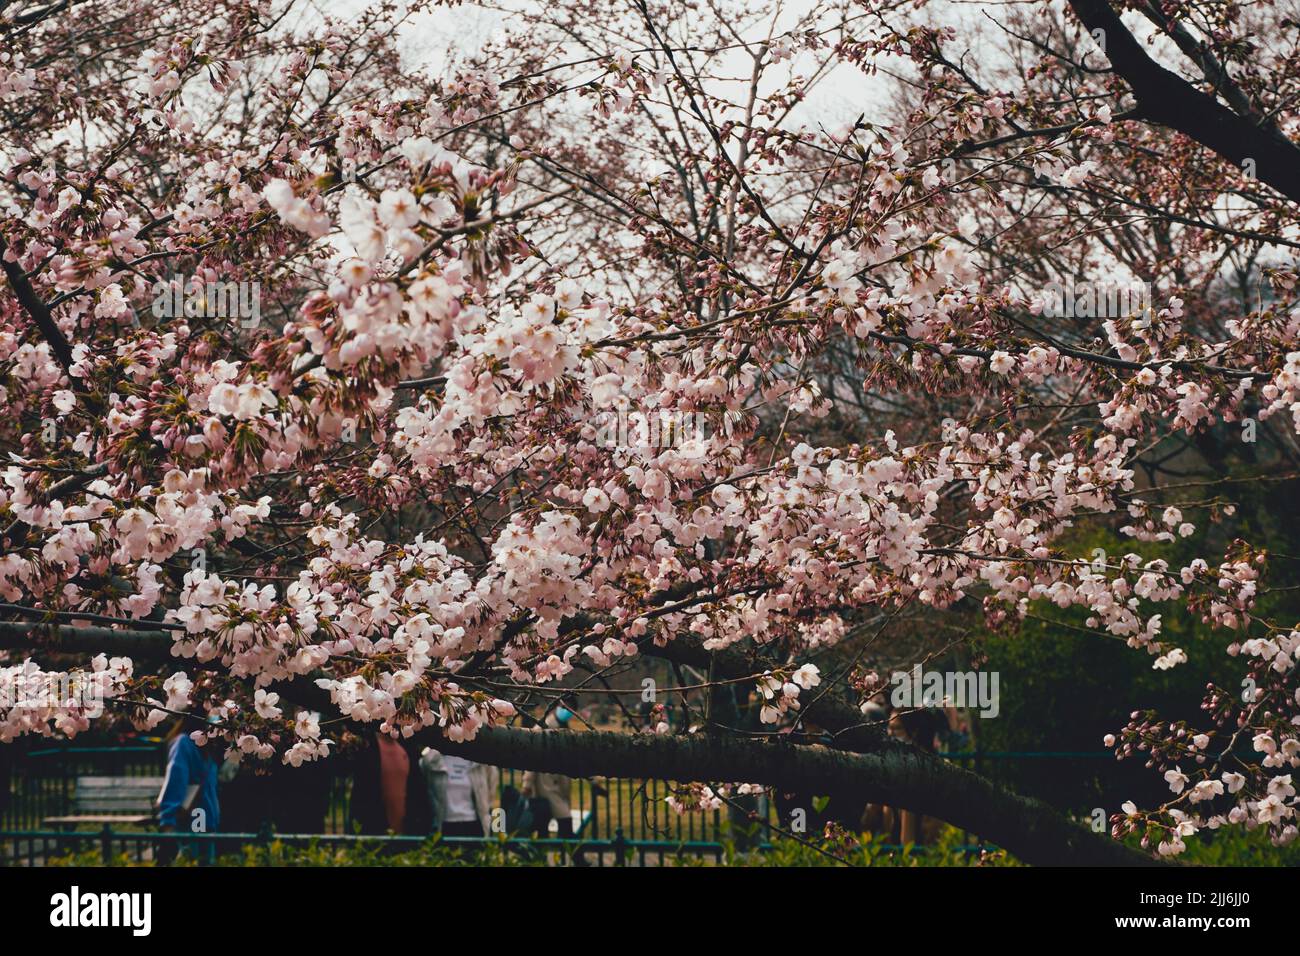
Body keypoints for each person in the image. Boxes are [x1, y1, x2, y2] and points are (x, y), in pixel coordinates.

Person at [155, 719, 221, 863]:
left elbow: (176, 780)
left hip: (192, 817)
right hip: (206, 816)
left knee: (190, 859)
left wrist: (167, 820)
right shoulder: (205, 748)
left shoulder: (183, 743)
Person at [522, 707, 576, 838]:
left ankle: (541, 856)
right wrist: (527, 783)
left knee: (543, 827)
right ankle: (576, 856)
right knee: (564, 820)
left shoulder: (564, 727)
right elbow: (532, 757)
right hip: (545, 784)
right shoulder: (543, 727)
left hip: (556, 782)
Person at [420, 748, 499, 838]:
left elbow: (491, 788)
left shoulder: (481, 761)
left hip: (474, 825)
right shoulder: (431, 760)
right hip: (444, 826)